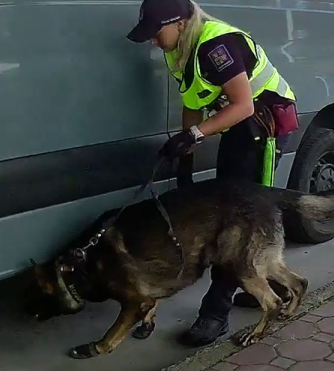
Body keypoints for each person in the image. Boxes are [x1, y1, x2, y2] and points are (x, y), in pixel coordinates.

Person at [127, 0, 299, 347]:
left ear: (179, 23)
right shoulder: (181, 48)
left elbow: (243, 104)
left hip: (262, 126)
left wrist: (196, 135)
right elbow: (192, 100)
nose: (153, 42)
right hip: (238, 126)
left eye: (156, 33)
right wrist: (185, 146)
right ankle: (263, 284)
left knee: (239, 223)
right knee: (229, 210)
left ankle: (216, 314)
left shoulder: (215, 46)